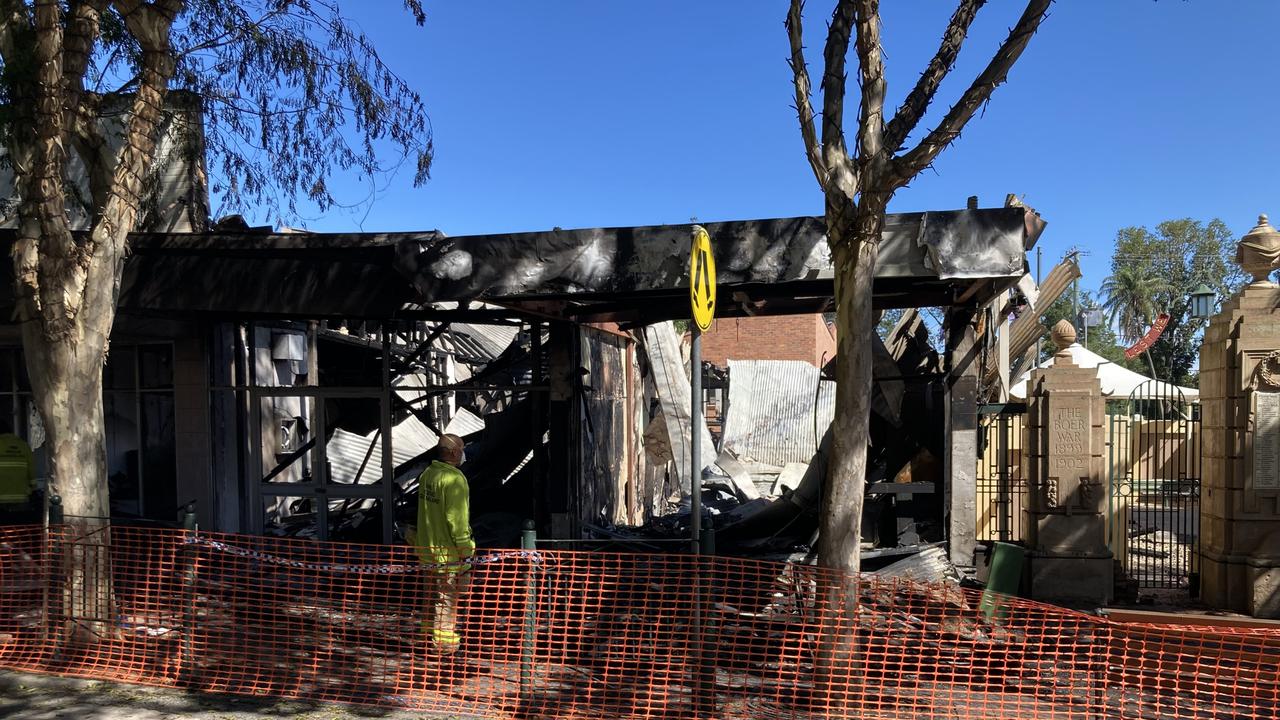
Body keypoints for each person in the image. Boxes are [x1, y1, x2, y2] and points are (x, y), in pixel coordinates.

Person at [414, 434, 474, 653]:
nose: (463, 453)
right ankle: (444, 645)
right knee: (446, 603)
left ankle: (425, 638)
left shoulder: (428, 475)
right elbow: (457, 522)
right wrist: (466, 553)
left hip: (426, 551)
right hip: (448, 555)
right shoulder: (455, 480)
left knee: (429, 599)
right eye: (461, 449)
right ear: (452, 453)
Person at [0, 421, 37, 524]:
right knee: (19, 532)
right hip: (21, 500)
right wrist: (33, 490)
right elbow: (32, 471)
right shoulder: (23, 446)